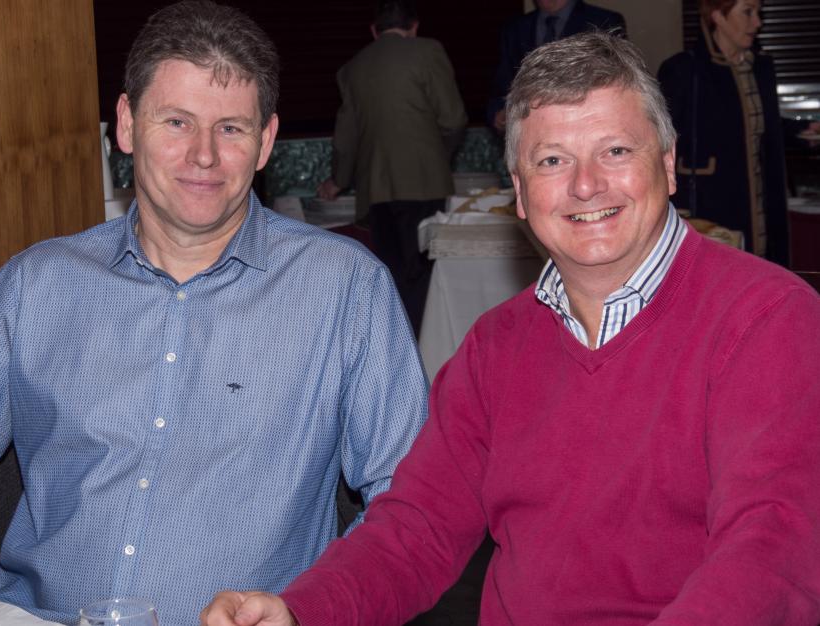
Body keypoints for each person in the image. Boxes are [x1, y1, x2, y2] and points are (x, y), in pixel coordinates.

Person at [201, 32, 820, 626]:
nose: (586, 185)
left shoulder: (767, 319)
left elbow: (773, 551)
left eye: (615, 151)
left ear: (667, 162)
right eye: (553, 160)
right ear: (520, 193)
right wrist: (303, 611)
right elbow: (419, 527)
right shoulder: (496, 346)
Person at [0, 1, 428, 625]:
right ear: (127, 124)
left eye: (231, 129)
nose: (203, 156)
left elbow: (413, 509)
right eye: (177, 122)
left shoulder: (346, 291)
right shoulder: (35, 287)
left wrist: (308, 610)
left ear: (265, 141)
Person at [316, 0, 467, 336]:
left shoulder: (353, 68)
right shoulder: (428, 51)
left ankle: (396, 349)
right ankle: (430, 349)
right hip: (426, 183)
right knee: (427, 278)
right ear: (414, 26)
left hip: (377, 190)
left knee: (393, 279)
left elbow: (346, 138)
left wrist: (338, 180)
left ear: (374, 31)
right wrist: (438, 155)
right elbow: (454, 119)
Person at [658, 0, 820, 267]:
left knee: (763, 273)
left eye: (758, 12)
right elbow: (658, 141)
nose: (757, 22)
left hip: (762, 207)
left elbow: (758, 124)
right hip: (713, 209)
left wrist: (802, 131)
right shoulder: (685, 70)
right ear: (718, 16)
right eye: (748, 12)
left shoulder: (760, 68)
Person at [487, 0, 626, 131]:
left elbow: (618, 83)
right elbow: (502, 86)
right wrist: (499, 113)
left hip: (587, 127)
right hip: (529, 129)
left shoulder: (604, 21)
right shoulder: (515, 28)